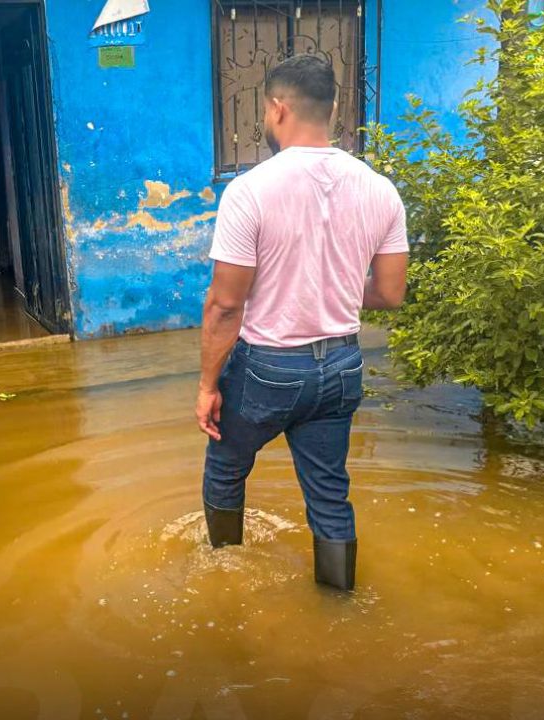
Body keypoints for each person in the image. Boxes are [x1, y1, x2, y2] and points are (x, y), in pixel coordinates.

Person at [195, 54, 410, 592]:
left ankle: (223, 583)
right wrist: (329, 286)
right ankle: (339, 607)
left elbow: (225, 305)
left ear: (277, 108)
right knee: (330, 495)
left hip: (268, 368)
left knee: (225, 467)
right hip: (341, 366)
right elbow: (389, 293)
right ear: (334, 108)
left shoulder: (250, 191)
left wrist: (205, 386)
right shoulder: (380, 190)